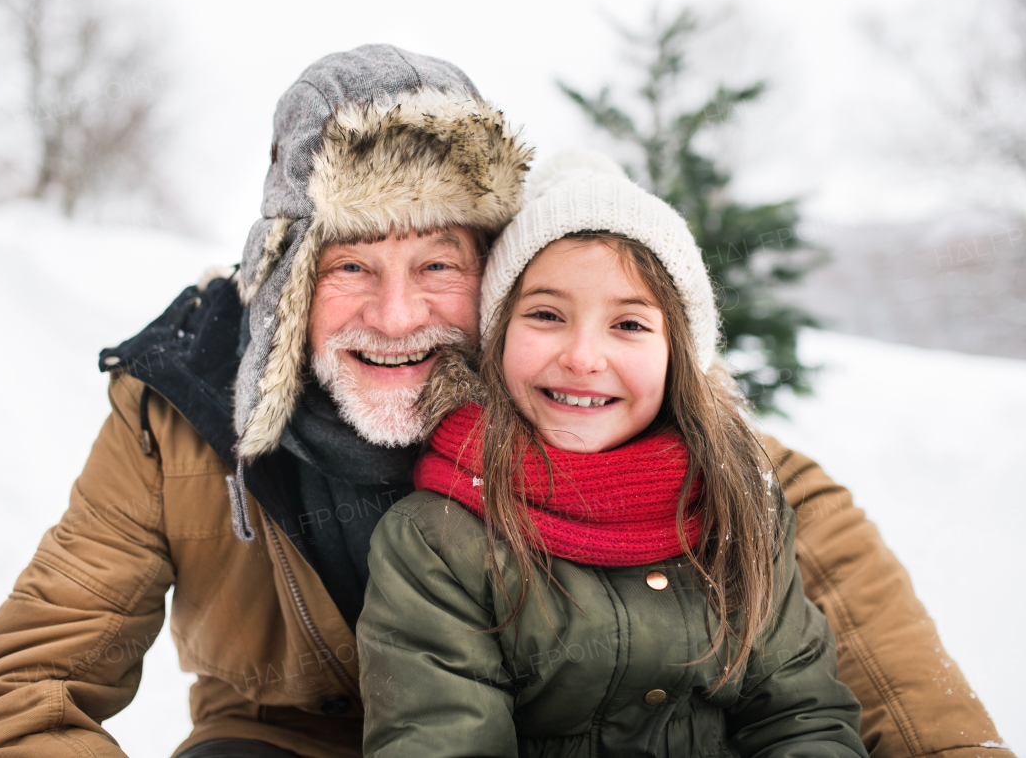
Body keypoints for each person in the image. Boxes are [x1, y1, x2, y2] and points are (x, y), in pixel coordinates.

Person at [0, 46, 1013, 758]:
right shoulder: (182, 419)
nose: (396, 315)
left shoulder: (657, 442)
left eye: (438, 265)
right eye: (349, 266)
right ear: (289, 277)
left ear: (496, 283)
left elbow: (899, 698)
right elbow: (16, 697)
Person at [358, 152, 868, 756]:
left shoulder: (739, 500)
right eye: (546, 315)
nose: (582, 357)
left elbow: (801, 717)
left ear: (678, 352)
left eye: (628, 325)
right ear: (496, 340)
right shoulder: (438, 538)